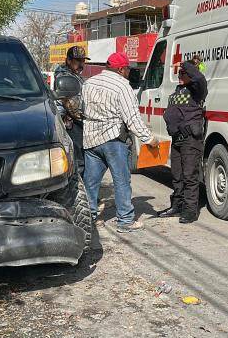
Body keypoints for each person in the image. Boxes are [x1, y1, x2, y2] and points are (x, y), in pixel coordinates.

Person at [82, 52, 158, 233]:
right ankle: (125, 220)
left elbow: (82, 109)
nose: (128, 73)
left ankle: (89, 218)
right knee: (121, 181)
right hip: (114, 140)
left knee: (90, 183)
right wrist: (149, 139)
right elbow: (132, 118)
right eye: (127, 69)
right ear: (121, 69)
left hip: (91, 138)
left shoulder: (88, 83)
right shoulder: (123, 86)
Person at [158, 60, 208, 223]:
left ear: (191, 74)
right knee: (177, 175)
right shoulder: (178, 90)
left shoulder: (197, 90)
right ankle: (176, 206)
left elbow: (199, 78)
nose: (180, 76)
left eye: (183, 74)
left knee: (189, 176)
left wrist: (186, 65)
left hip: (190, 140)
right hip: (177, 138)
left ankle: (189, 211)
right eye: (179, 73)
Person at [54, 46, 86, 175]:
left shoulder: (74, 75)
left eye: (83, 61)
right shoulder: (64, 76)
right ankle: (79, 191)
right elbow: (72, 106)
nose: (81, 64)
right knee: (79, 162)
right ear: (68, 60)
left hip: (76, 121)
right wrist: (88, 119)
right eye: (77, 61)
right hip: (71, 123)